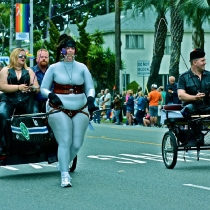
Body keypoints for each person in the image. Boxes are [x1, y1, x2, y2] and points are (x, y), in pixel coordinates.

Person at [40, 34, 95, 188]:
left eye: (72, 48)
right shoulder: (54, 68)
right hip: (58, 107)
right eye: (67, 48)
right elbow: (43, 88)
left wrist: (90, 99)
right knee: (65, 141)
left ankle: (63, 163)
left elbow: (90, 87)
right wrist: (51, 95)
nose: (70, 51)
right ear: (61, 51)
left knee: (76, 144)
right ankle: (65, 175)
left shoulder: (82, 67)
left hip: (81, 107)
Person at [0, 48, 39, 153]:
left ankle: (34, 143)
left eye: (25, 56)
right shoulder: (5, 70)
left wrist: (32, 88)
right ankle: (2, 144)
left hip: (26, 99)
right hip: (8, 99)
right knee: (2, 114)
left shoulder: (29, 71)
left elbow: (37, 87)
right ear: (14, 56)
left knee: (35, 114)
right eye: (21, 56)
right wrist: (18, 87)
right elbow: (2, 87)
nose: (23, 58)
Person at [178, 48, 210, 146]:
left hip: (207, 106)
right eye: (202, 60)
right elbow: (181, 95)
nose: (205, 62)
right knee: (189, 108)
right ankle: (196, 134)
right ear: (195, 62)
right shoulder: (183, 77)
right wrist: (195, 97)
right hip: (192, 108)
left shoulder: (209, 75)